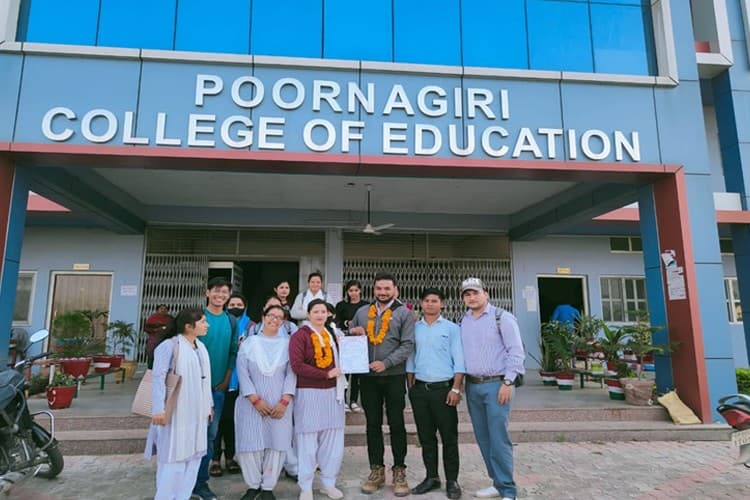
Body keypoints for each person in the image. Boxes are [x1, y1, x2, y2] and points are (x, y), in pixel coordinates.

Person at [349, 273, 415, 497]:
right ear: (373, 289)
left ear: (395, 289)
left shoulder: (404, 313)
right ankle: (376, 470)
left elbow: (408, 345)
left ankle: (399, 471)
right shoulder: (362, 312)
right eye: (379, 288)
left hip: (394, 376)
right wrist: (352, 332)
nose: (383, 292)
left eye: (387, 288)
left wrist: (386, 363)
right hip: (368, 377)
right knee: (372, 424)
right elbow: (350, 339)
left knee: (396, 423)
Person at [459, 278, 525, 500]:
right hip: (473, 386)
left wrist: (508, 382)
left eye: (475, 293)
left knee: (498, 437)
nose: (472, 297)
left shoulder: (502, 318)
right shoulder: (465, 320)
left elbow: (516, 351)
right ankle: (496, 482)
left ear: (485, 294)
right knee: (483, 437)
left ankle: (508, 490)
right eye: (467, 294)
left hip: (498, 385)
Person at [145, 307, 213, 500]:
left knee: (193, 460)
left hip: (197, 413)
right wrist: (158, 409)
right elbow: (158, 378)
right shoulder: (169, 346)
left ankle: (183, 496)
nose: (207, 325)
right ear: (188, 326)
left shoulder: (200, 347)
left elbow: (205, 378)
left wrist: (208, 405)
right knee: (173, 460)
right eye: (202, 321)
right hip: (175, 412)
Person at [406, 288, 465, 499]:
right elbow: (411, 359)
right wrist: (411, 388)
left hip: (444, 390)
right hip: (420, 391)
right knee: (426, 438)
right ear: (421, 304)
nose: (430, 304)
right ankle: (431, 477)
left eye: (434, 301)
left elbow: (459, 360)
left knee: (449, 438)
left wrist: (456, 388)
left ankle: (452, 481)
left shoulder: (452, 329)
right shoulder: (415, 329)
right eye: (427, 301)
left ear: (442, 304)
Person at [234, 304, 297, 500]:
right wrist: (255, 400)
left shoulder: (288, 345)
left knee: (276, 444)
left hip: (280, 405)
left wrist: (284, 401)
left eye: (279, 317)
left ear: (283, 322)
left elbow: (292, 374)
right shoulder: (249, 343)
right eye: (271, 315)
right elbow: (242, 373)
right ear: (263, 317)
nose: (274, 320)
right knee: (250, 444)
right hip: (251, 404)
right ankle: (253, 486)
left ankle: (268, 487)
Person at [289, 299, 347, 500]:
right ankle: (305, 486)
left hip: (333, 393)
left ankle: (329, 483)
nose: (320, 315)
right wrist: (325, 374)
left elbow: (347, 357)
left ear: (328, 314)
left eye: (323, 311)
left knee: (333, 441)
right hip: (309, 392)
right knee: (307, 441)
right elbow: (297, 365)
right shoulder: (300, 336)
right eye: (316, 311)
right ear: (308, 314)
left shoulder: (333, 334)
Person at [193, 277, 239, 500]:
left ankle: (200, 483)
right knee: (190, 434)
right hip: (193, 388)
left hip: (217, 389)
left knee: (209, 436)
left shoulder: (231, 320)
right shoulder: (197, 317)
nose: (221, 295)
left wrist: (227, 378)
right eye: (217, 291)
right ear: (207, 292)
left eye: (225, 292)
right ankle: (184, 480)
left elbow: (233, 352)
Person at [210, 293, 250, 477]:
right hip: (219, 377)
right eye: (232, 304)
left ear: (245, 306)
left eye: (239, 304)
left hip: (240, 382)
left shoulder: (251, 326)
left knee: (232, 421)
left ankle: (230, 457)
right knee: (215, 422)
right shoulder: (222, 323)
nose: (235, 307)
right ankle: (215, 459)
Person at [335, 280, 368, 412]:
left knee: (357, 372)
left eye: (356, 290)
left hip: (359, 342)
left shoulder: (366, 305)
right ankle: (343, 400)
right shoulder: (341, 305)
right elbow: (336, 321)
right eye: (350, 291)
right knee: (345, 371)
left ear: (360, 291)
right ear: (347, 292)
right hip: (345, 341)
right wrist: (346, 323)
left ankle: (354, 400)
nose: (353, 293)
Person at [145, 305, 173, 369]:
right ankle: (150, 370)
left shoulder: (170, 318)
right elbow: (146, 328)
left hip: (166, 340)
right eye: (161, 308)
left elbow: (173, 328)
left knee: (165, 357)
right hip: (154, 340)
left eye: (165, 309)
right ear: (157, 310)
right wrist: (156, 330)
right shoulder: (152, 318)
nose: (163, 310)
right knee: (152, 356)